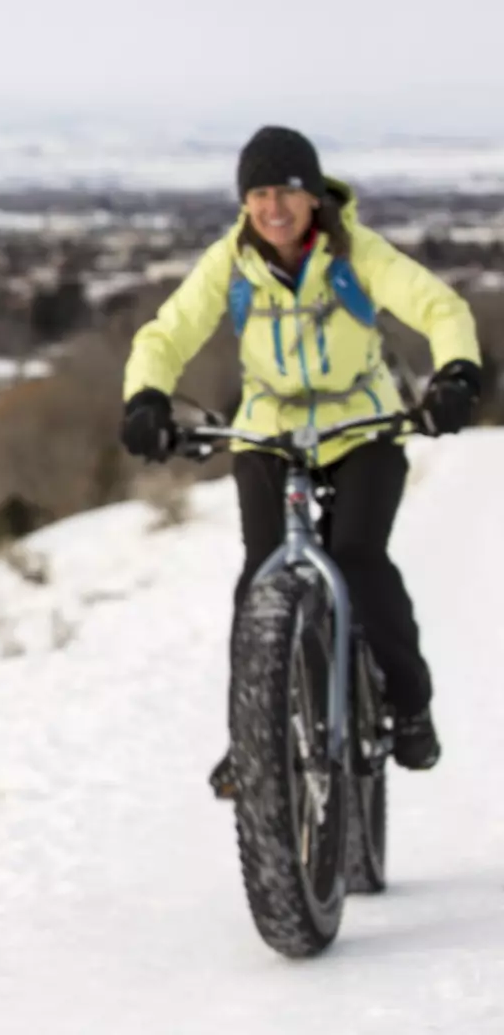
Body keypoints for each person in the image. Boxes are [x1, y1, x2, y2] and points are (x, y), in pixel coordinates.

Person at [119, 126, 480, 798]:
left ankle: (408, 703)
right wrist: (144, 396)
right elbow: (166, 333)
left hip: (359, 426)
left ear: (312, 196)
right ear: (244, 202)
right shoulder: (230, 261)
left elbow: (438, 306)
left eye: (285, 192)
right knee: (258, 585)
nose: (272, 208)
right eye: (257, 194)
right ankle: (252, 739)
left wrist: (454, 376)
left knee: (358, 559)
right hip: (268, 432)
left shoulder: (355, 253)